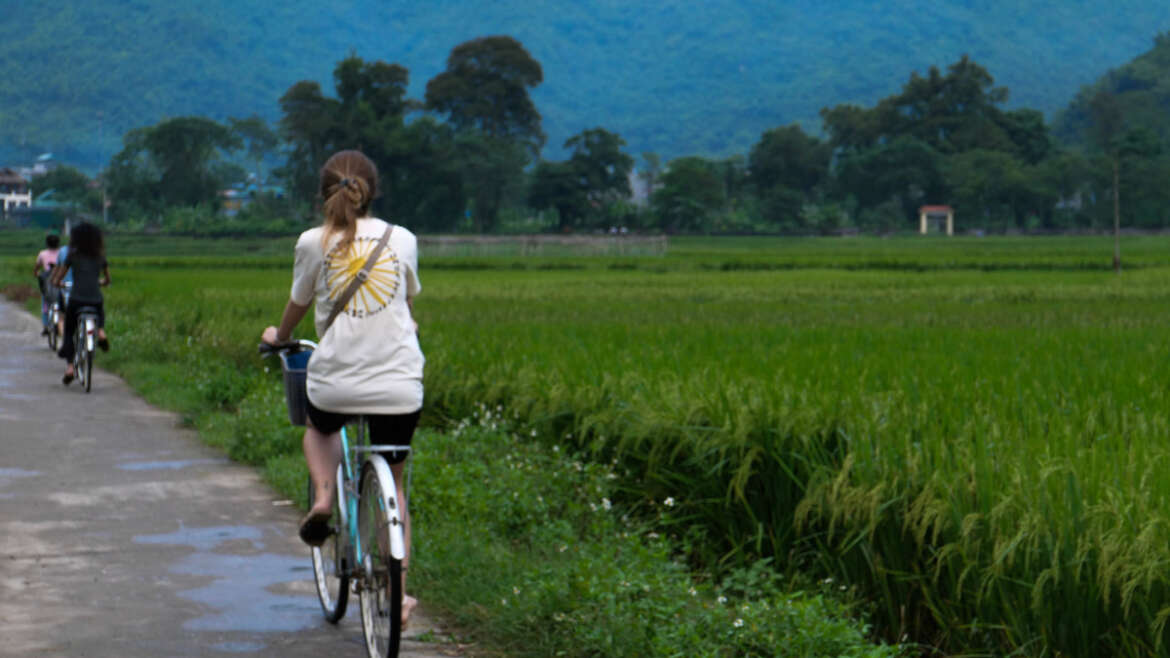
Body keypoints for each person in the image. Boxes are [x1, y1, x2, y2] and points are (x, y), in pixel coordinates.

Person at [260, 150, 424, 627]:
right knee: (394, 478)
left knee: (319, 424)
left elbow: (297, 305)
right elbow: (407, 299)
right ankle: (400, 594)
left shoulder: (313, 242)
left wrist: (279, 336)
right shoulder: (403, 239)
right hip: (399, 384)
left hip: (335, 382)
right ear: (373, 189)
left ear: (323, 192)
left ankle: (324, 498)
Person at [50, 222, 111, 384]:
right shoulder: (100, 257)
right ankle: (101, 332)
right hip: (95, 298)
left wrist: (57, 283)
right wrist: (102, 282)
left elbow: (59, 277)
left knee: (69, 331)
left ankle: (70, 368)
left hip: (76, 299)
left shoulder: (73, 256)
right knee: (100, 309)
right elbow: (107, 279)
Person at [33, 233, 61, 334]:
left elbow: (37, 267)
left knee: (45, 302)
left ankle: (46, 325)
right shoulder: (62, 253)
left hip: (48, 281)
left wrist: (36, 273)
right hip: (60, 279)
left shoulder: (42, 254)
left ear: (47, 243)